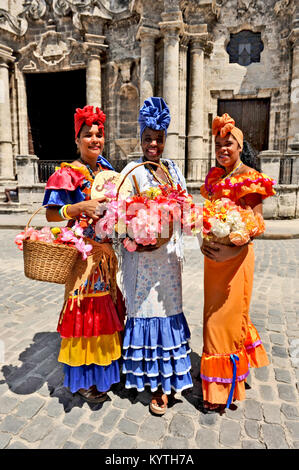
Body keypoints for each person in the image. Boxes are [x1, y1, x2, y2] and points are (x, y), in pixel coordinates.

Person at [43, 105, 125, 403]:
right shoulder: (68, 173)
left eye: (99, 134)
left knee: (106, 312)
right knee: (84, 314)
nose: (94, 139)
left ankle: (104, 372)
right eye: (88, 135)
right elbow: (52, 214)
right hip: (81, 257)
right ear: (77, 140)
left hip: (105, 257)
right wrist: (79, 208)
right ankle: (83, 379)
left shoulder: (107, 173)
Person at [119, 97, 193, 415]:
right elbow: (117, 216)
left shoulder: (173, 169)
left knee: (168, 313)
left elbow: (186, 204)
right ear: (141, 138)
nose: (153, 144)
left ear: (165, 139)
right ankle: (154, 384)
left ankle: (169, 381)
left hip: (168, 260)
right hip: (144, 260)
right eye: (148, 137)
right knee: (147, 313)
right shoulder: (132, 171)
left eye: (158, 138)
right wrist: (135, 236)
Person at [199, 113, 276, 411]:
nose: (222, 149)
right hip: (212, 264)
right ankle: (229, 372)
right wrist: (205, 236)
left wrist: (242, 237)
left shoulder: (250, 179)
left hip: (236, 262)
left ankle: (220, 392)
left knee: (223, 322)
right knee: (213, 319)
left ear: (239, 146)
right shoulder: (215, 178)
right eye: (218, 144)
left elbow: (258, 223)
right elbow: (208, 217)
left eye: (228, 143)